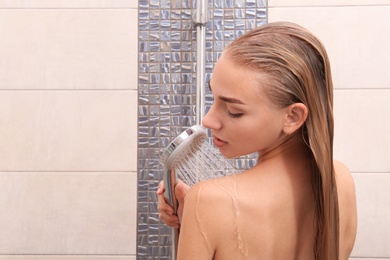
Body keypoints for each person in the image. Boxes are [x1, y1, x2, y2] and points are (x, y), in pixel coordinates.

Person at [157, 21, 357, 260]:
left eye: (234, 111)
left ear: (292, 116)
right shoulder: (338, 179)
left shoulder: (208, 201)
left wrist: (196, 218)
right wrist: (188, 218)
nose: (208, 120)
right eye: (214, 97)